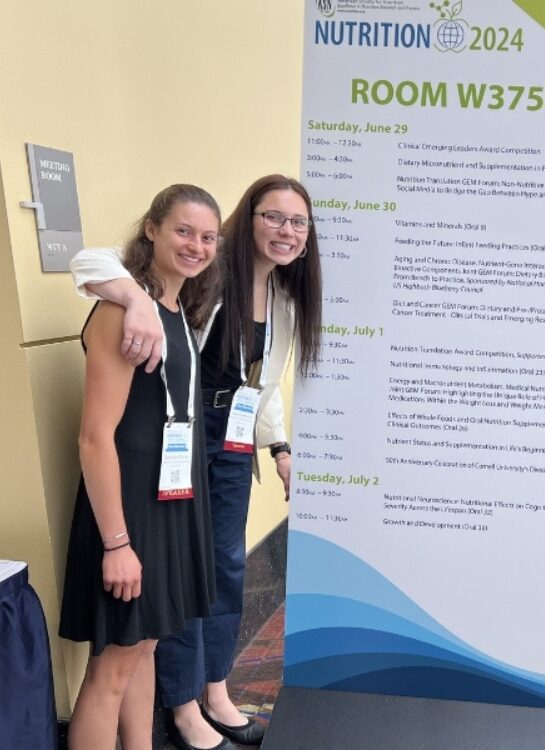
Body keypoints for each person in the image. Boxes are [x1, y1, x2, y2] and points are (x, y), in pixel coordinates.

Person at [69, 175, 322, 749]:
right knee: (151, 615)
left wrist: (279, 448)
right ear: (247, 219)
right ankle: (184, 708)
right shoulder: (193, 284)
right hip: (169, 451)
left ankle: (216, 691)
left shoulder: (258, 296)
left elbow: (264, 384)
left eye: (297, 222)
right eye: (273, 216)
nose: (284, 230)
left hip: (220, 447)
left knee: (214, 576)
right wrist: (133, 297)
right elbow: (90, 262)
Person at [59, 184, 221, 750]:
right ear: (150, 229)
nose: (196, 246)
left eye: (207, 237)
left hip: (167, 507)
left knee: (145, 649)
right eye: (183, 230)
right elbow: (94, 438)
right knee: (110, 673)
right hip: (128, 517)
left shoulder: (172, 311)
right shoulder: (122, 311)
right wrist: (117, 544)